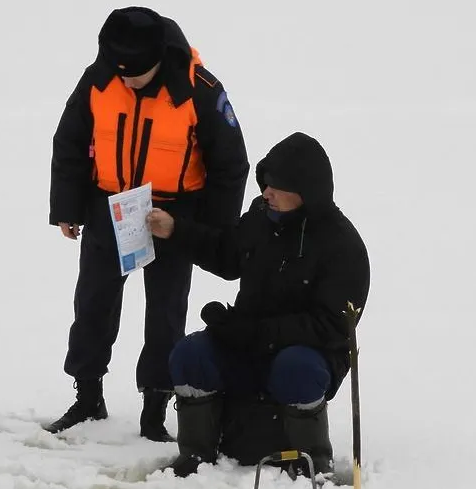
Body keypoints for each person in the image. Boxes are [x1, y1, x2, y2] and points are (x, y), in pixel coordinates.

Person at [46, 6, 249, 442]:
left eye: (137, 75)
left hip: (174, 218)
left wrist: (207, 232)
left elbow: (231, 165)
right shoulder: (99, 78)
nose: (128, 82)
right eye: (122, 74)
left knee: (165, 316)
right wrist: (68, 207)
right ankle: (87, 396)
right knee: (93, 306)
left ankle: (154, 409)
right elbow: (69, 142)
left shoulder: (199, 89)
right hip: (109, 210)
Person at [146, 132, 370, 477]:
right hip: (249, 340)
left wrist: (255, 333)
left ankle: (310, 462)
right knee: (191, 354)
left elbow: (331, 327)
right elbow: (225, 252)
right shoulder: (261, 220)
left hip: (309, 354)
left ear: (305, 191)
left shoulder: (343, 246)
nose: (267, 192)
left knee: (296, 366)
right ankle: (198, 456)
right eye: (265, 183)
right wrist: (176, 230)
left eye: (277, 186)